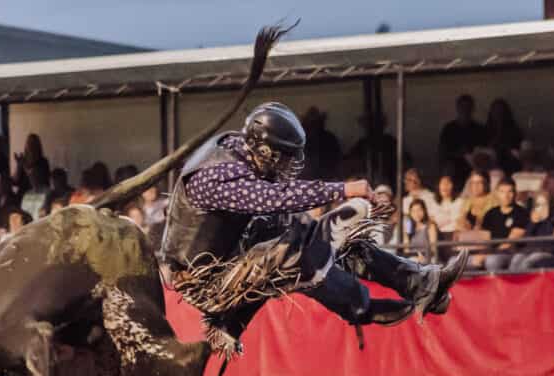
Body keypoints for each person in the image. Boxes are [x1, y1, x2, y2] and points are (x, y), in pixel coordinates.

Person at [161, 101, 466, 354]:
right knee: (296, 252)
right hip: (205, 281)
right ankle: (361, 308)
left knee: (334, 240)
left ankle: (422, 283)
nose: (292, 164)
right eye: (286, 156)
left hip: (236, 248)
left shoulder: (242, 149)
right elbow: (270, 198)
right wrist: (343, 190)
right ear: (265, 151)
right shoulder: (215, 178)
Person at [480, 178, 530, 272]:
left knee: (492, 261)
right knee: (455, 261)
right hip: (490, 252)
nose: (506, 196)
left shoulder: (522, 213)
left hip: (511, 253)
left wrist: (488, 254)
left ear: (515, 193)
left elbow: (510, 242)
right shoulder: (490, 213)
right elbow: (484, 240)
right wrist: (481, 254)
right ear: (497, 193)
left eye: (510, 191)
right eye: (502, 192)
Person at [439, 94, 487, 188]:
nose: (465, 110)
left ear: (472, 109)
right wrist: (458, 153)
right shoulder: (449, 128)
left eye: (468, 107)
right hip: (454, 164)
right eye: (463, 107)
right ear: (458, 108)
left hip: (474, 165)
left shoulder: (479, 129)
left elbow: (484, 150)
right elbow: (443, 150)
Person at [509, 191, 554, 271]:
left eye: (544, 204)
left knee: (528, 262)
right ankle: (512, 282)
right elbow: (526, 239)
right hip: (531, 250)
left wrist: (546, 219)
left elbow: (553, 239)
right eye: (538, 205)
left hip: (548, 251)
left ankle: (525, 283)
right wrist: (533, 224)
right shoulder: (533, 219)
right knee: (516, 259)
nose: (541, 208)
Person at [300, 106, 342, 180]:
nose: (313, 126)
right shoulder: (300, 140)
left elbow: (336, 160)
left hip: (326, 179)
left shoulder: (329, 138)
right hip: (306, 181)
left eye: (315, 122)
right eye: (310, 123)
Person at [485, 99, 523, 176]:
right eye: (495, 111)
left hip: (510, 167)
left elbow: (519, 153)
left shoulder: (514, 131)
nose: (498, 114)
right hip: (490, 168)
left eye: (501, 111)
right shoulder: (485, 131)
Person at [405, 199, 438, 264]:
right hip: (413, 257)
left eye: (419, 210)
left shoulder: (430, 225)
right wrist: (417, 255)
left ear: (424, 211)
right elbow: (406, 249)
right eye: (413, 211)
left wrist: (424, 256)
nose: (416, 213)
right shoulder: (408, 226)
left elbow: (433, 248)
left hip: (428, 256)